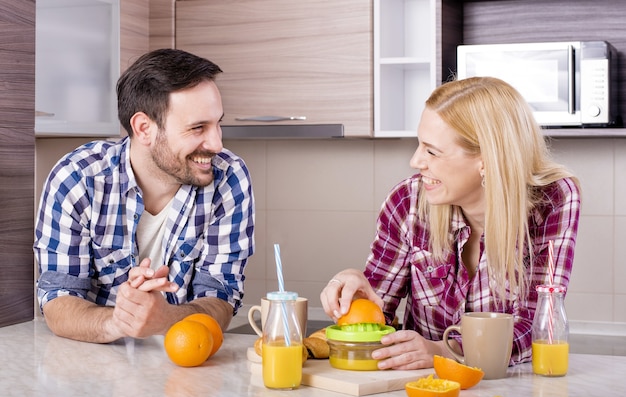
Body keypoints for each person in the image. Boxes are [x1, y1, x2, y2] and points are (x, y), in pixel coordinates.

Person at [320, 76, 581, 370]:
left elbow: (537, 326)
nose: (416, 161)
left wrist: (442, 350)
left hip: (508, 393)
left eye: (431, 151)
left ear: (485, 159)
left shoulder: (554, 199)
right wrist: (355, 286)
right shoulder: (408, 201)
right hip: (420, 391)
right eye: (419, 145)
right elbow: (375, 317)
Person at [34, 49, 255, 343]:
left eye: (218, 124)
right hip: (95, 366)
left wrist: (165, 319)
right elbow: (57, 301)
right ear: (144, 128)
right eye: (198, 127)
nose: (216, 143)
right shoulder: (77, 179)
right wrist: (120, 321)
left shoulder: (228, 178)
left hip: (188, 364)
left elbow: (221, 297)